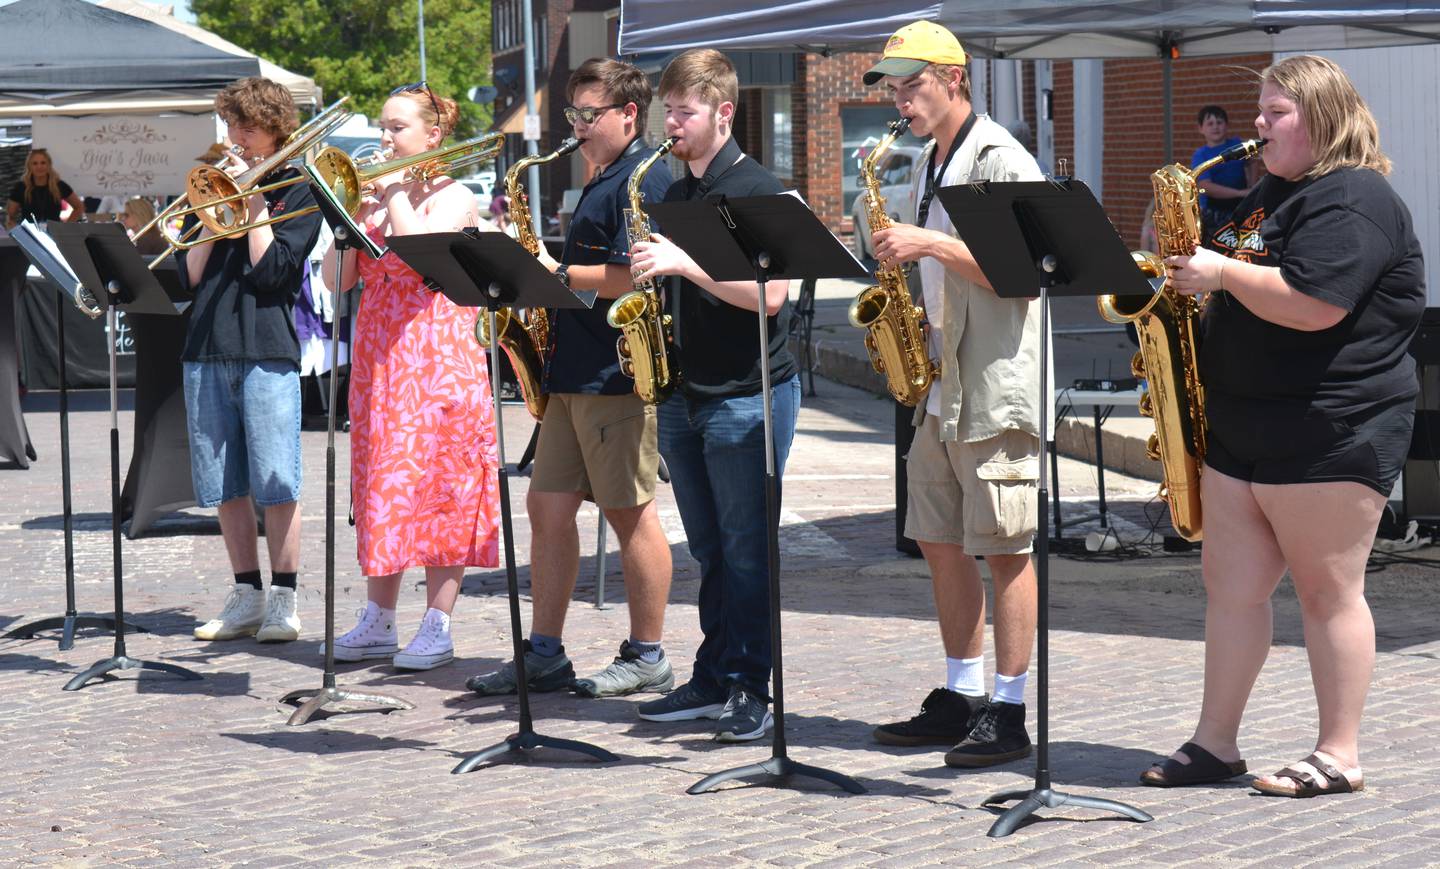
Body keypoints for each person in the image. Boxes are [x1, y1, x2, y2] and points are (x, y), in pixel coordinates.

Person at [1144, 54, 1425, 798]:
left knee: (1327, 591)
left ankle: (1339, 752)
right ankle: (1215, 741)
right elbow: (1225, 264)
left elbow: (1314, 303)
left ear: (1323, 118)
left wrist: (1222, 273)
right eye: (1259, 111)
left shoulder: (1354, 198)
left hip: (1330, 424)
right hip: (1244, 421)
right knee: (1230, 587)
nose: (1257, 127)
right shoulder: (1271, 193)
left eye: (1276, 113)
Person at [861, 21, 1044, 769]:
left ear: (954, 79)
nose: (903, 101)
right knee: (938, 538)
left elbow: (1027, 270)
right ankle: (962, 692)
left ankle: (1010, 707)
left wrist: (928, 243)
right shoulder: (925, 161)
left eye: (914, 86)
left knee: (1004, 547)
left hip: (992, 383)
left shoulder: (999, 157)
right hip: (939, 381)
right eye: (896, 89)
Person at [466, 58, 675, 698]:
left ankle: (648, 654)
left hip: (615, 372)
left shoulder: (644, 178)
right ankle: (546, 652)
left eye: (591, 115)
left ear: (628, 115)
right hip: (569, 370)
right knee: (545, 507)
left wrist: (548, 269)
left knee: (629, 514)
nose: (579, 127)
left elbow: (631, 276)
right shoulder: (600, 176)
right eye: (574, 115)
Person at [626, 48, 798, 743]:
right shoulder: (671, 189)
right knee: (708, 549)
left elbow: (774, 296)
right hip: (683, 392)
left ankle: (752, 688)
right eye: (668, 110)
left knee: (747, 549)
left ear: (723, 112)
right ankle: (714, 670)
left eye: (685, 111)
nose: (672, 123)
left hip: (745, 393)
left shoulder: (759, 189)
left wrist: (680, 263)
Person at [322, 82, 500, 671]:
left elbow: (422, 248)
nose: (384, 138)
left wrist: (394, 191)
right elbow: (335, 280)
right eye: (383, 126)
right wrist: (345, 218)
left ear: (433, 135)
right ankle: (379, 618)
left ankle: (438, 622)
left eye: (397, 128)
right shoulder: (377, 202)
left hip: (437, 361)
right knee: (383, 482)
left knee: (439, 487)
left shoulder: (453, 195)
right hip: (381, 360)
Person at [178, 77, 321, 643]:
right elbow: (189, 275)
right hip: (206, 346)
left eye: (249, 127)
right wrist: (212, 210)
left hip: (266, 347)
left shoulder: (299, 190)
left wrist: (253, 200)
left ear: (276, 129)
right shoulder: (212, 182)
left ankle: (284, 600)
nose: (238, 136)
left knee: (276, 479)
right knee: (223, 481)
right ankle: (245, 594)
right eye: (232, 125)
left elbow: (273, 274)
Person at [1192, 105, 1251, 239]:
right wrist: (1240, 193)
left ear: (1227, 125)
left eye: (1219, 122)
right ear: (1201, 129)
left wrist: (1251, 186)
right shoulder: (1201, 155)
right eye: (1210, 123)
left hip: (1240, 207)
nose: (1215, 127)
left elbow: (1252, 161)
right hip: (1214, 212)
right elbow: (1205, 187)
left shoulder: (1237, 144)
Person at [6, 149, 85, 227]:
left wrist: (65, 227)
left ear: (49, 165)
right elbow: (11, 215)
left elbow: (79, 207)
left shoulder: (59, 186)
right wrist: (16, 230)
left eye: (43, 163)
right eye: (35, 163)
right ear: (29, 166)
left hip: (54, 233)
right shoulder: (21, 187)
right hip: (29, 234)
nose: (39, 166)